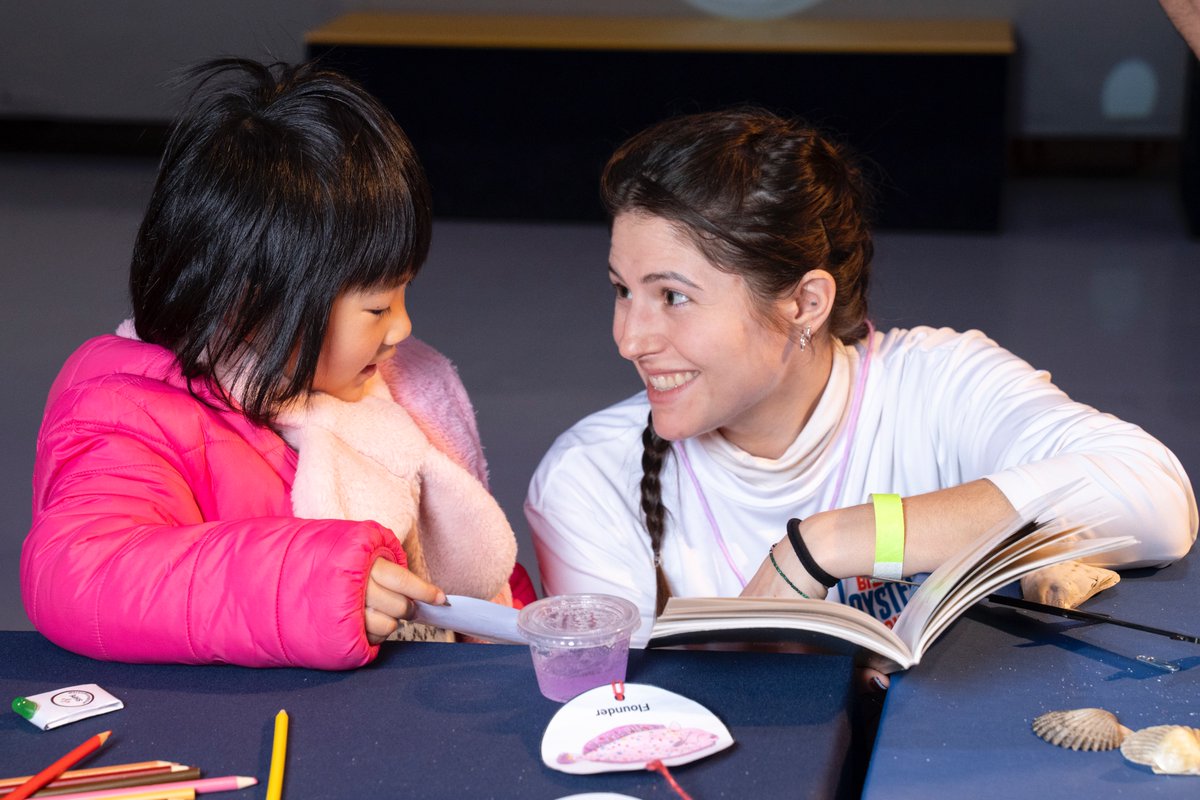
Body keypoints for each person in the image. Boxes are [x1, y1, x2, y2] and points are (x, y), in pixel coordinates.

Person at [525, 108, 1198, 649]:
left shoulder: (937, 381)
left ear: (805, 304)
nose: (629, 338)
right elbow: (620, 720)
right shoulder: (589, 477)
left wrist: (831, 543)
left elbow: (1156, 497)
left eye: (672, 296)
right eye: (622, 290)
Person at [22, 58, 535, 670]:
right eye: (377, 307)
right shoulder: (127, 412)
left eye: (404, 294)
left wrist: (523, 630)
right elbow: (79, 574)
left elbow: (474, 562)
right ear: (254, 302)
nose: (403, 327)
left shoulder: (389, 388)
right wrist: (315, 584)